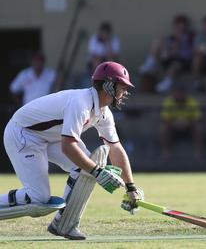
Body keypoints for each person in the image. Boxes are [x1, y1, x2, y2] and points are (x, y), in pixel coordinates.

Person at [1, 61, 144, 240]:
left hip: (50, 136)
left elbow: (115, 148)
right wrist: (97, 172)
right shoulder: (80, 103)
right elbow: (68, 146)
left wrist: (131, 187)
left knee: (87, 167)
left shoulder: (104, 112)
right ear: (108, 85)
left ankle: (64, 224)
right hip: (23, 133)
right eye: (122, 87)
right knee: (39, 199)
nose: (124, 93)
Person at [159, 83, 204, 161]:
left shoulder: (192, 101)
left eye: (181, 92)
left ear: (185, 93)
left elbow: (197, 119)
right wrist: (175, 124)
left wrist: (187, 123)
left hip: (189, 127)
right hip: (173, 127)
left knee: (198, 128)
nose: (179, 95)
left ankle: (198, 152)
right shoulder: (169, 102)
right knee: (163, 129)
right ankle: (166, 152)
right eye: (177, 92)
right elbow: (166, 119)